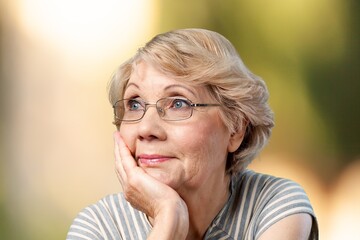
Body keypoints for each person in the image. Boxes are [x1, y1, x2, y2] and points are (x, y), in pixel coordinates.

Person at [66, 28, 318, 239]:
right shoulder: (98, 226)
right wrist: (168, 217)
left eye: (178, 103)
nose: (146, 129)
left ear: (236, 129)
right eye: (134, 104)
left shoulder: (273, 204)